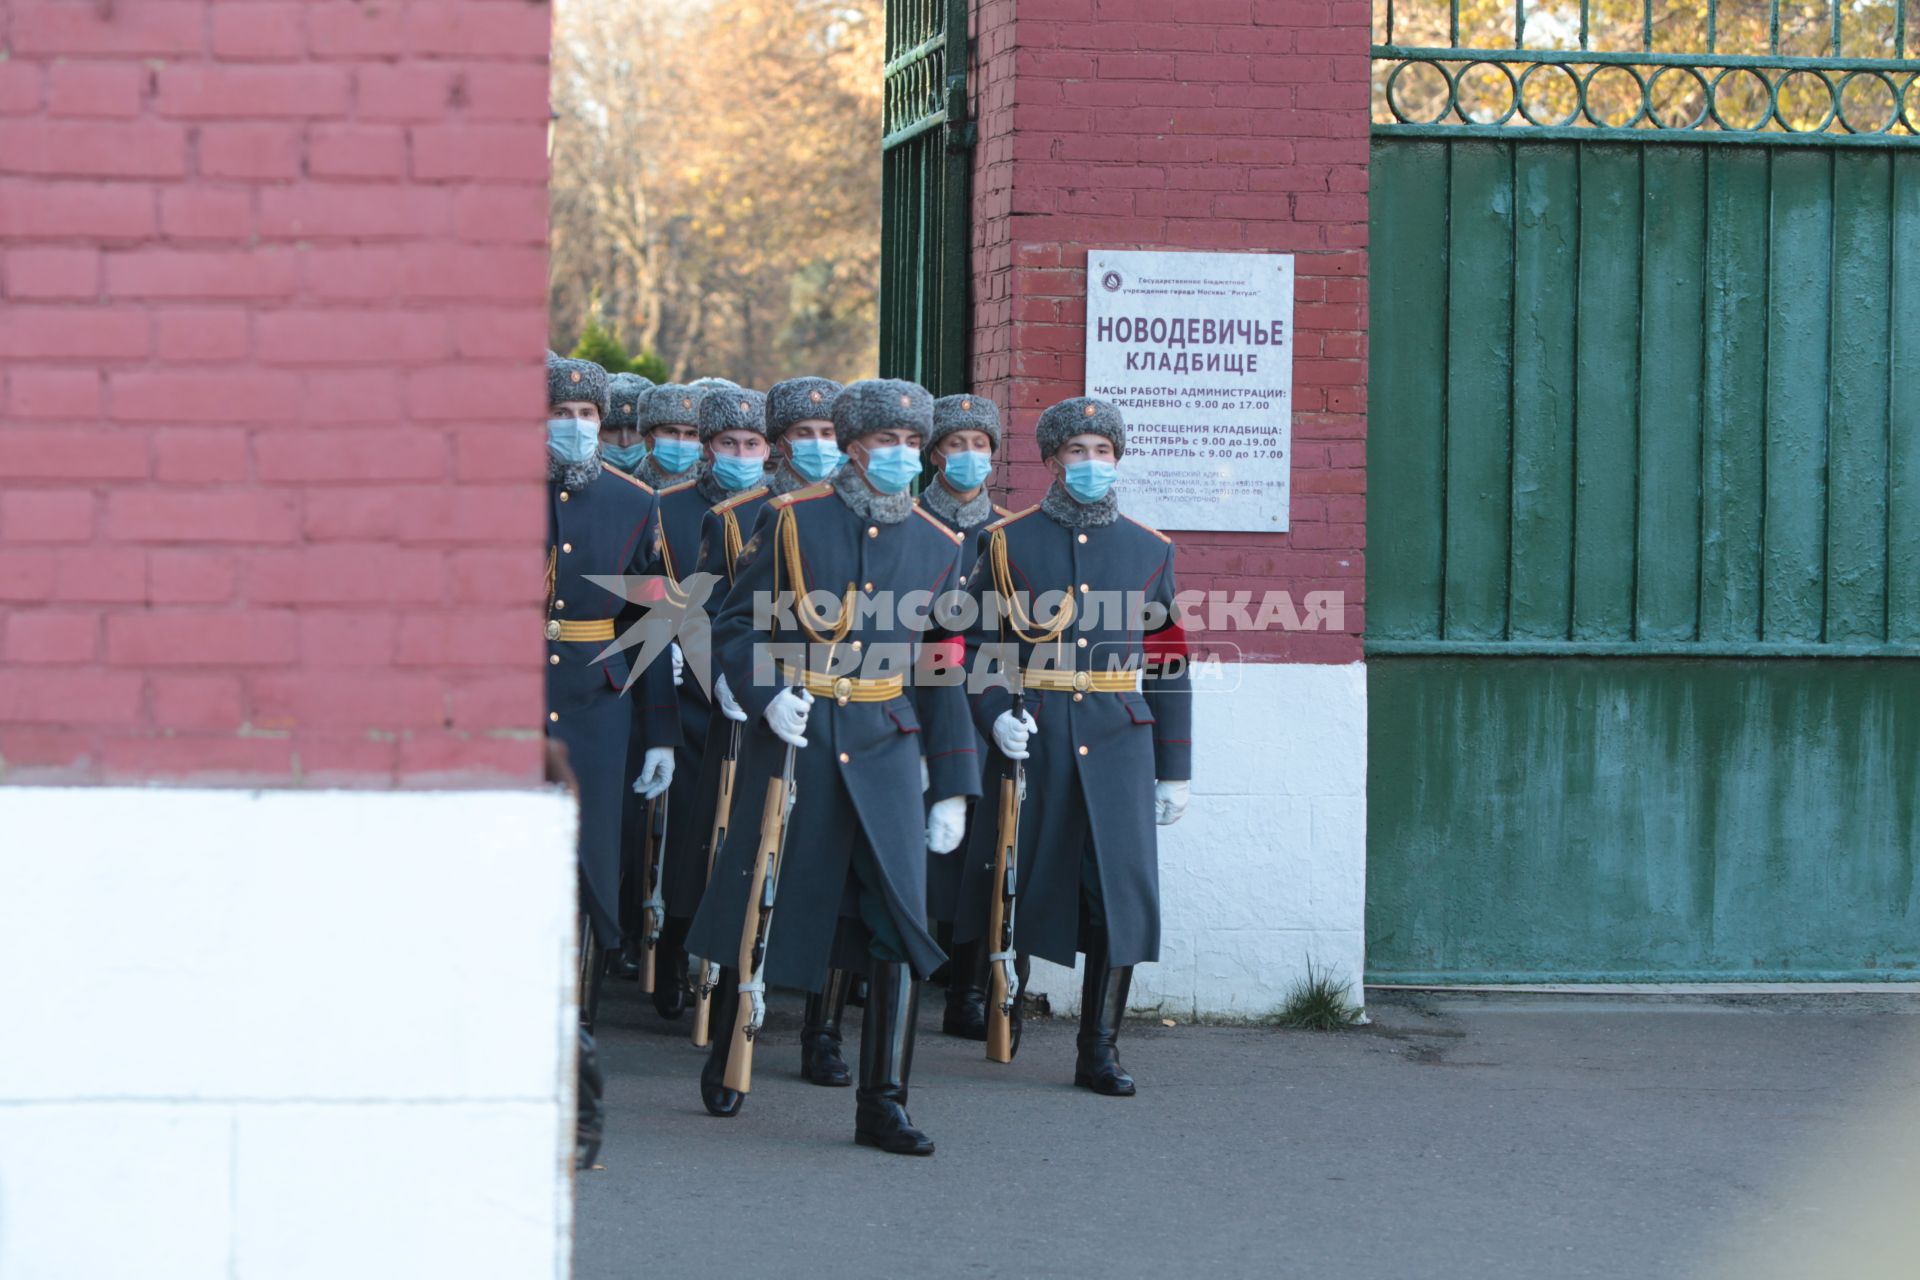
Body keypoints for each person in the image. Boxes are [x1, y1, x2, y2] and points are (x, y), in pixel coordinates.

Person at [684, 379, 979, 1155]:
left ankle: (885, 1101)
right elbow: (738, 623)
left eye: (914, 445)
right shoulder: (790, 522)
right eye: (887, 443)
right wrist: (766, 690)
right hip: (799, 738)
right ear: (852, 447)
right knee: (767, 898)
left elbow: (943, 667)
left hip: (886, 742)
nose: (903, 458)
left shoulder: (940, 545)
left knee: (897, 920)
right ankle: (732, 1048)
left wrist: (953, 782)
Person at [955, 396, 1193, 1096]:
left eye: (1103, 452)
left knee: (1119, 893)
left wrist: (1174, 769)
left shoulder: (1151, 549)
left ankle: (1100, 1049)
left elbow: (1169, 661)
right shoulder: (1005, 541)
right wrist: (994, 709)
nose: (1092, 464)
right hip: (1037, 731)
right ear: (1053, 459)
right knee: (1018, 878)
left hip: (1120, 740)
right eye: (1078, 452)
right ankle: (1005, 1005)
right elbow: (971, 645)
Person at [544, 355, 680, 1030]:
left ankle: (582, 1016)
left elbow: (652, 619)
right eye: (560, 414)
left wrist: (659, 732)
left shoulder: (634, 501)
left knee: (590, 859)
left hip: (597, 706)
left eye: (587, 415)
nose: (575, 426)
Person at [641, 387, 771, 1019]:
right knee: (688, 829)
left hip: (749, 687)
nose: (741, 455)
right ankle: (669, 956)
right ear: (708, 448)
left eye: (753, 444)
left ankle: (731, 970)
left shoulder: (778, 512)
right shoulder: (668, 508)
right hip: (687, 686)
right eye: (728, 444)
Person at [916, 394, 1009, 1040]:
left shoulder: (1007, 532)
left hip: (987, 694)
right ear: (934, 452)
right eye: (958, 444)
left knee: (983, 843)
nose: (970, 457)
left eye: (982, 445)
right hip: (910, 690)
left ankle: (968, 985)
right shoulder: (909, 520)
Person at [629, 383, 708, 490]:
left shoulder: (712, 493)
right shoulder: (629, 488)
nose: (681, 442)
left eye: (691, 434)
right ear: (649, 437)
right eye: (671, 432)